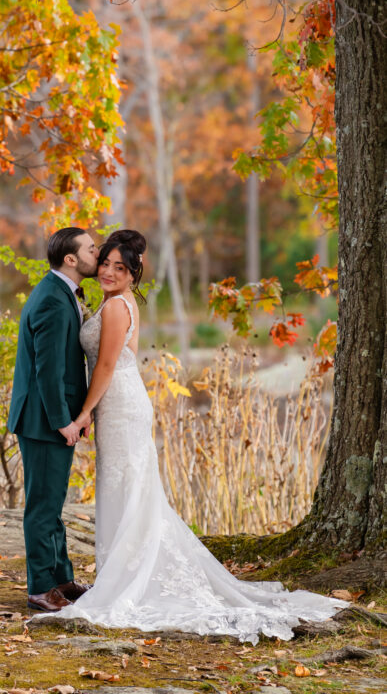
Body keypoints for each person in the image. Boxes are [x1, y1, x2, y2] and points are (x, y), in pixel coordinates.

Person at [44, 228, 348, 643]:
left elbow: (107, 366)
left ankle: (127, 579)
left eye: (120, 268)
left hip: (121, 403)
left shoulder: (116, 307)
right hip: (118, 403)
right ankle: (121, 572)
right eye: (106, 264)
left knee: (128, 485)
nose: (110, 272)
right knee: (126, 487)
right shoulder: (114, 302)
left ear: (134, 275)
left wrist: (82, 414)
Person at [8, 226, 99, 612]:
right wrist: (64, 421)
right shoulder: (51, 299)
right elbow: (47, 370)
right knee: (42, 508)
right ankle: (40, 589)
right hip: (43, 421)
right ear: (71, 259)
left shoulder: (61, 292)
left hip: (52, 416)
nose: (98, 253)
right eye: (92, 249)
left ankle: (62, 579)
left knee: (53, 503)